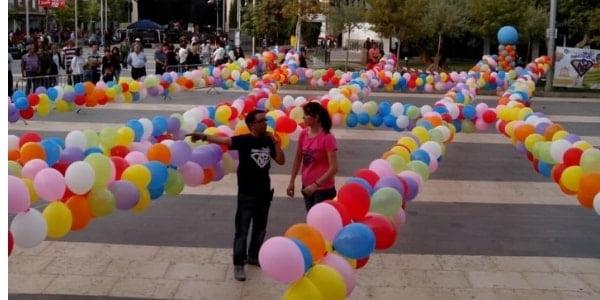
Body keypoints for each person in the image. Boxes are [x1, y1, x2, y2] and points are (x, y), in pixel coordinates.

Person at [185, 110, 285, 282]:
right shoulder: (244, 140)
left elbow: (281, 160)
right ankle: (239, 263)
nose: (266, 123)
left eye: (266, 119)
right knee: (242, 230)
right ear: (252, 124)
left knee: (260, 228)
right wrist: (203, 136)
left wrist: (276, 142)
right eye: (262, 120)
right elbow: (224, 140)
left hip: (264, 193)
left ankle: (254, 257)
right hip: (247, 193)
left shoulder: (269, 140)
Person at [287, 102, 338, 211]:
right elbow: (298, 158)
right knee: (311, 220)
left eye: (306, 114)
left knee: (319, 223)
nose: (303, 117)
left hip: (323, 189)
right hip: (306, 187)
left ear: (316, 117)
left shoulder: (327, 137)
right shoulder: (303, 134)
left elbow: (333, 168)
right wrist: (292, 182)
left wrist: (315, 185)